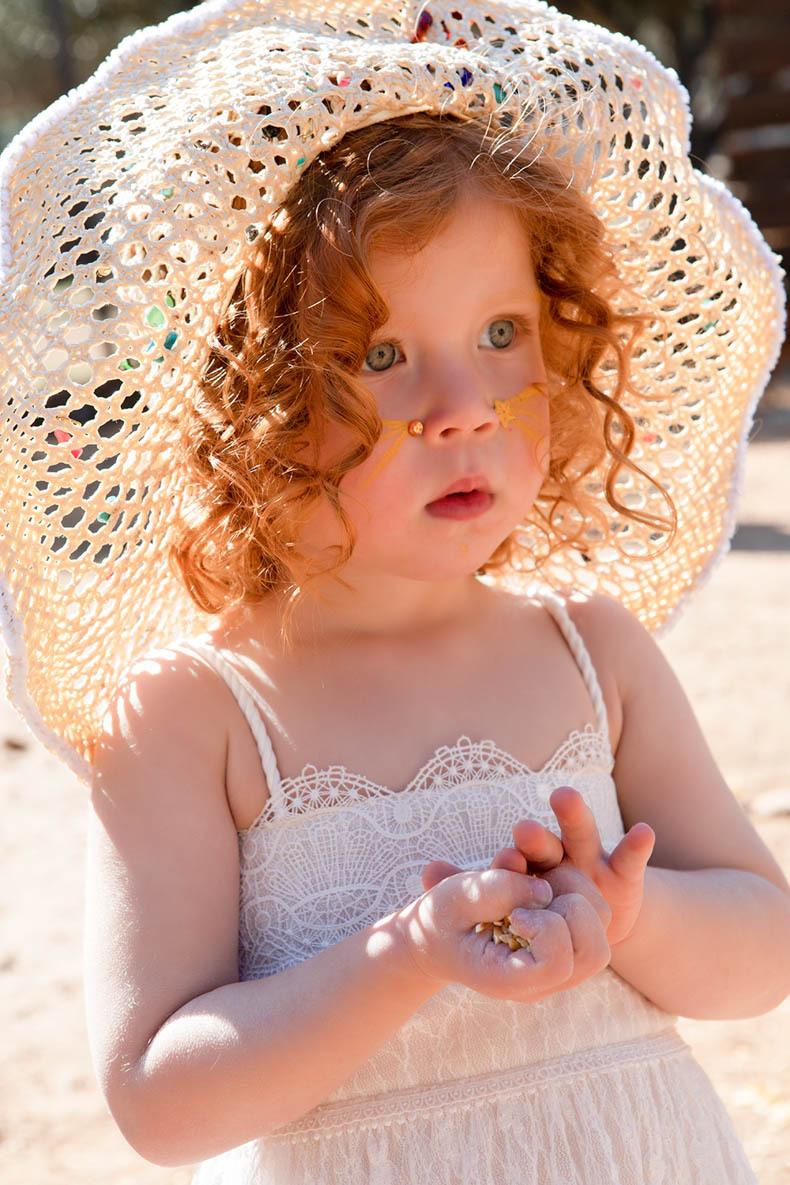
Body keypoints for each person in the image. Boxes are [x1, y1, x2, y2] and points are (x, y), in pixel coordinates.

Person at [0, 1, 788, 1182]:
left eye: (502, 332)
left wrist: (631, 915)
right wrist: (406, 954)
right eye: (379, 356)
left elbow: (764, 949)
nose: (461, 408)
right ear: (249, 404)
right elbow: (161, 1100)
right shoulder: (194, 714)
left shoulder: (592, 653)